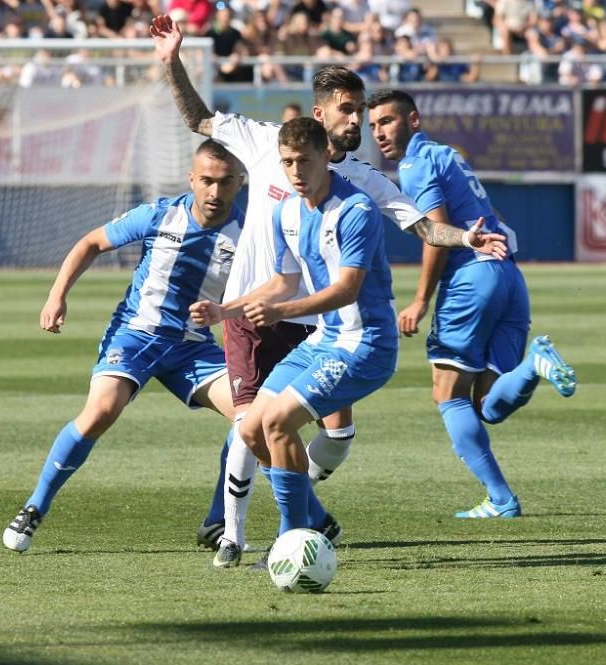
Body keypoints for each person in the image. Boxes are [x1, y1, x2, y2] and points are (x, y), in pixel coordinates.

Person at [151, 14, 508, 567]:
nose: (358, 120)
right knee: (254, 423)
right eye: (348, 109)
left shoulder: (362, 185)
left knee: (330, 436)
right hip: (255, 308)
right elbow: (199, 118)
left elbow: (419, 227)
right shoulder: (269, 144)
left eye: (361, 110)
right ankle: (232, 530)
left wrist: (465, 236)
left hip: (320, 323)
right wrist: (172, 62)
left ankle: (302, 516)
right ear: (319, 115)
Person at [2, 140, 246, 552]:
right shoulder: (160, 213)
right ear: (192, 178)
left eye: (224, 183)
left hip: (191, 346)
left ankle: (217, 519)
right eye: (206, 181)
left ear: (240, 183)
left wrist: (226, 311)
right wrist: (56, 296)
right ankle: (34, 507)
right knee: (100, 411)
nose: (214, 192)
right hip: (136, 335)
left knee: (250, 418)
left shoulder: (250, 232)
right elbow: (91, 243)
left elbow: (267, 293)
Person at [367, 89, 577, 519]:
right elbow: (487, 209)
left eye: (387, 121)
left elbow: (436, 232)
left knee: (448, 395)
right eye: (373, 125)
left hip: (470, 280)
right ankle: (533, 366)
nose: (379, 132)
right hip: (507, 277)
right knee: (487, 405)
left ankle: (500, 499)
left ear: (413, 120)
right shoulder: (449, 155)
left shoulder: (416, 164)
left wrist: (421, 299)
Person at [190, 117, 397, 550]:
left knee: (280, 423)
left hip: (365, 344)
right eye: (287, 162)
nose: (296, 172)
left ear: (325, 155)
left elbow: (346, 290)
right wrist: (224, 309)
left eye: (304, 160)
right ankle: (309, 523)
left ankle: (294, 538)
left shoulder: (355, 210)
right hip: (325, 341)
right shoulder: (287, 212)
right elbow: (282, 281)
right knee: (251, 430)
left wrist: (278, 311)